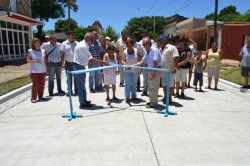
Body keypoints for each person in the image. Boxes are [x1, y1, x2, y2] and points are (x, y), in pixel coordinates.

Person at [73, 32, 108, 109]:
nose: (92, 42)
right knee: (81, 86)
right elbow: (91, 59)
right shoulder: (83, 46)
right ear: (88, 39)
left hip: (80, 66)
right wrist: (103, 62)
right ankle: (83, 104)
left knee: (82, 85)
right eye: (92, 40)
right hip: (78, 67)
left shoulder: (83, 44)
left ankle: (84, 100)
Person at [134, 37, 162, 108]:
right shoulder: (147, 52)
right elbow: (142, 62)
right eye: (143, 44)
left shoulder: (154, 50)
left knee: (153, 87)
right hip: (151, 70)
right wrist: (131, 65)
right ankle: (153, 101)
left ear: (149, 43)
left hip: (155, 70)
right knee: (150, 87)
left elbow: (155, 62)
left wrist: (152, 74)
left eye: (145, 44)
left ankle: (153, 103)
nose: (143, 45)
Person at [159, 34, 179, 104]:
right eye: (159, 40)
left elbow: (176, 57)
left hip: (170, 70)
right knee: (164, 84)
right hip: (163, 70)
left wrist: (175, 67)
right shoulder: (161, 48)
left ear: (165, 40)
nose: (160, 41)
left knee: (170, 85)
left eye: (161, 40)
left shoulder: (172, 47)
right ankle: (165, 97)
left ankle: (169, 98)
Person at [121, 38, 142, 103]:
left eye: (130, 45)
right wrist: (127, 66)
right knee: (127, 84)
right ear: (126, 45)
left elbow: (140, 60)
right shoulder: (124, 52)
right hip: (127, 71)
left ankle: (134, 96)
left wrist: (139, 68)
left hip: (135, 71)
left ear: (132, 45)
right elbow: (123, 60)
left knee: (134, 84)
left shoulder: (137, 51)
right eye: (128, 45)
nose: (129, 47)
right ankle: (127, 97)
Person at [27, 38, 47, 103]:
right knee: (35, 84)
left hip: (43, 70)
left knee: (42, 84)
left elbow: (45, 61)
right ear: (33, 44)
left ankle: (40, 96)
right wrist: (35, 61)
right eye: (36, 43)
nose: (38, 44)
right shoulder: (30, 51)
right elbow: (28, 60)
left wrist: (46, 69)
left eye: (38, 42)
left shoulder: (43, 51)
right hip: (34, 71)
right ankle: (33, 98)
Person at [60, 31, 78, 96]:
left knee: (76, 77)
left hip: (76, 63)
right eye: (71, 35)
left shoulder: (77, 43)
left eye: (73, 35)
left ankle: (77, 90)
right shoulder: (64, 43)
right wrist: (62, 63)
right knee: (69, 78)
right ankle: (69, 91)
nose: (72, 36)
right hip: (68, 63)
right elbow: (62, 54)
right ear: (68, 36)